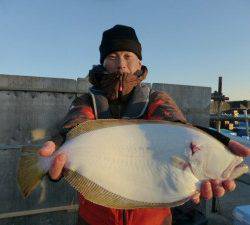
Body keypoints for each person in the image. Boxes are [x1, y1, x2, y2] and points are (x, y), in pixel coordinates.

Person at [39, 25, 250, 225]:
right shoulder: (86, 101)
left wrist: (213, 139)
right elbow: (74, 128)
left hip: (153, 220)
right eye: (113, 56)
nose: (121, 63)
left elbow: (174, 126)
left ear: (139, 62)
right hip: (95, 218)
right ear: (103, 62)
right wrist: (58, 147)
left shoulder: (156, 99)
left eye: (128, 56)